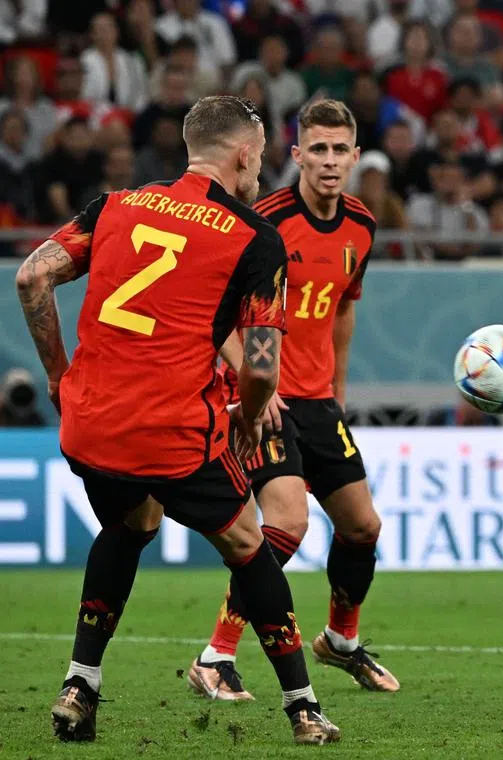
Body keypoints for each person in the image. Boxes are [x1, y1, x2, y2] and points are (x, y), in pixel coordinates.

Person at [15, 96, 339, 744]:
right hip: (169, 432)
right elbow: (263, 369)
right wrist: (248, 419)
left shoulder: (115, 206)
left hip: (88, 424)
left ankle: (81, 683)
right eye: (261, 156)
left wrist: (57, 374)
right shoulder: (255, 237)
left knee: (132, 521)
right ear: (245, 155)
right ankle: (303, 709)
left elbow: (31, 279)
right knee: (249, 545)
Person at [188, 99, 398, 701]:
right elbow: (217, 311)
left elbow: (343, 310)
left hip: (318, 403)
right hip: (264, 397)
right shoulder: (264, 220)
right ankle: (215, 655)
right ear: (297, 154)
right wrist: (256, 384)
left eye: (341, 151)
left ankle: (341, 641)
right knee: (286, 523)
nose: (330, 162)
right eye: (319, 150)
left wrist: (337, 394)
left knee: (362, 527)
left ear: (356, 157)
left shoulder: (362, 225)